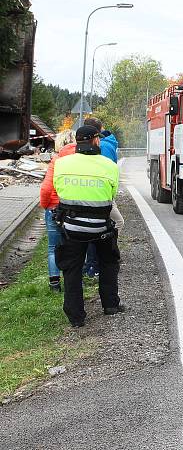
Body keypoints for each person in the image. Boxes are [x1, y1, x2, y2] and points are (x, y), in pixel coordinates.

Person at [53, 125, 123, 327]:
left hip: (71, 227)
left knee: (72, 269)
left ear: (77, 142)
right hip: (101, 229)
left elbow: (59, 190)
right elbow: (111, 196)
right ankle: (110, 305)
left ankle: (76, 317)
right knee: (109, 262)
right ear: (96, 141)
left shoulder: (62, 163)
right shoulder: (109, 166)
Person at [81, 118, 123, 278]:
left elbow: (101, 172)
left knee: (100, 229)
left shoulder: (102, 147)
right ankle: (101, 257)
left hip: (98, 193)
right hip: (103, 192)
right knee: (103, 226)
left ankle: (99, 260)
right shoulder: (107, 143)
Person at [39, 130, 77, 292]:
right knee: (74, 246)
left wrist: (46, 205)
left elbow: (46, 189)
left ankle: (54, 283)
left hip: (55, 209)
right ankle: (73, 279)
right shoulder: (81, 160)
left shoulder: (57, 160)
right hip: (75, 209)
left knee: (53, 247)